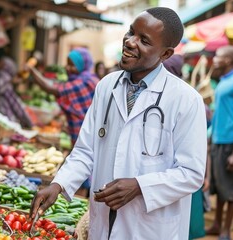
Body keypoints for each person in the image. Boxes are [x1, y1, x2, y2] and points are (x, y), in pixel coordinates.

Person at [30, 7, 207, 240]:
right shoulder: (107, 86)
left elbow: (191, 173)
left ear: (165, 54)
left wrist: (139, 186)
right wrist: (59, 184)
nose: (130, 42)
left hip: (150, 227)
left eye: (144, 40)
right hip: (104, 220)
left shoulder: (186, 100)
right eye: (131, 32)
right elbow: (86, 150)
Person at [205, 45, 233, 240]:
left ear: (229, 61)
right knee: (219, 186)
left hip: (230, 143)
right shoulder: (222, 80)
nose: (214, 58)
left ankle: (226, 230)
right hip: (217, 140)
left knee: (230, 189)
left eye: (219, 56)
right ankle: (216, 224)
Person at [164, 54, 209, 240]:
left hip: (182, 171)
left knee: (184, 217)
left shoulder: (188, 98)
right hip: (171, 173)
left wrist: (206, 173)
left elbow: (200, 145)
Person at [28, 47, 99, 145]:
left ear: (82, 65)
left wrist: (31, 69)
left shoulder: (83, 82)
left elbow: (51, 88)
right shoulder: (90, 78)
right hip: (86, 135)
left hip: (85, 138)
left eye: (72, 65)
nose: (67, 68)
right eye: (67, 64)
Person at [0, 56, 33, 128]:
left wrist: (29, 123)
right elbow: (17, 107)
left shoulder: (2, 83)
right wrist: (29, 123)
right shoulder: (0, 83)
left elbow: (17, 106)